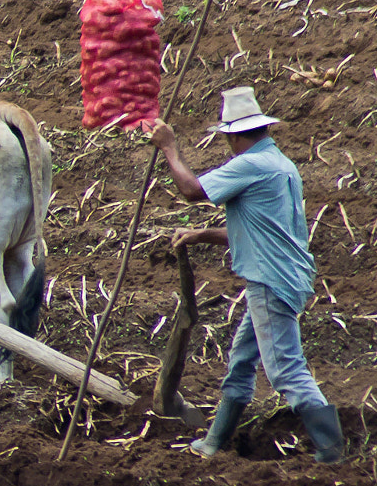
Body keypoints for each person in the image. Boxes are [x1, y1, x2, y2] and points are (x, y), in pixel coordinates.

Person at [146, 86, 344, 463]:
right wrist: (202, 235)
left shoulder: (251, 165)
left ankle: (332, 449)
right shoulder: (282, 166)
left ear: (235, 135)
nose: (227, 146)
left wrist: (169, 147)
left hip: (269, 281)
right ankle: (214, 442)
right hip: (285, 274)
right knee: (240, 362)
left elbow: (191, 190)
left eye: (227, 139)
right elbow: (263, 230)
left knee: (286, 369)